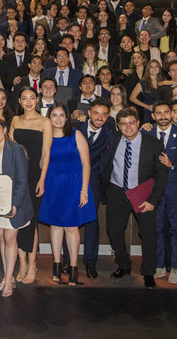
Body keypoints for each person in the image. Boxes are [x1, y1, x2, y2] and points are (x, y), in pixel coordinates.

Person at [100, 107, 168, 288]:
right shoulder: (112, 139)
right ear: (118, 126)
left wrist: (153, 200)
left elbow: (162, 175)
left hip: (143, 192)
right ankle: (123, 265)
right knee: (113, 230)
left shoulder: (154, 144)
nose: (128, 127)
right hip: (116, 190)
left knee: (148, 234)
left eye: (131, 122)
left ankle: (148, 273)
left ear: (138, 123)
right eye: (123, 123)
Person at [38, 105, 96, 286]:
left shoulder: (76, 135)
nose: (57, 119)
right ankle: (56, 266)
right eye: (53, 115)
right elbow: (42, 160)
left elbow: (87, 164)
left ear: (67, 118)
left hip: (74, 186)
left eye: (61, 115)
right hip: (53, 184)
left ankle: (73, 269)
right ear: (48, 118)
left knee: (72, 228)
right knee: (55, 227)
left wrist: (84, 190)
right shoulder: (45, 137)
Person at [0, 117, 33, 298]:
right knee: (1, 238)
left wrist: (15, 205)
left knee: (10, 238)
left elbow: (22, 181)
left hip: (14, 203)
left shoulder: (16, 150)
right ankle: (7, 277)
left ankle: (8, 280)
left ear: (4, 129)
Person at [146, 101, 177, 283]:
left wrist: (172, 165)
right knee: (157, 228)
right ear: (153, 116)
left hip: (176, 189)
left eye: (166, 112)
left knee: (176, 228)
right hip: (154, 190)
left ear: (171, 114)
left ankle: (176, 266)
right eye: (158, 113)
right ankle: (159, 265)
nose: (163, 116)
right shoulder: (146, 133)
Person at [10, 87, 52, 283]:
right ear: (19, 100)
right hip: (17, 176)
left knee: (32, 220)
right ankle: (22, 262)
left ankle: (32, 263)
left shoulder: (45, 122)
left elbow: (46, 153)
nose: (28, 102)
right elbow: (9, 148)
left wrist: (42, 178)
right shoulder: (15, 121)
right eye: (24, 98)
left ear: (37, 100)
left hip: (35, 174)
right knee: (18, 219)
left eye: (32, 98)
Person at [79, 100, 113, 279]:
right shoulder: (76, 128)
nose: (100, 117)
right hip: (73, 178)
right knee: (70, 220)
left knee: (92, 220)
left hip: (94, 180)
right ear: (89, 113)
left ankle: (90, 262)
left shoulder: (110, 134)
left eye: (104, 114)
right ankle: (68, 261)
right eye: (96, 113)